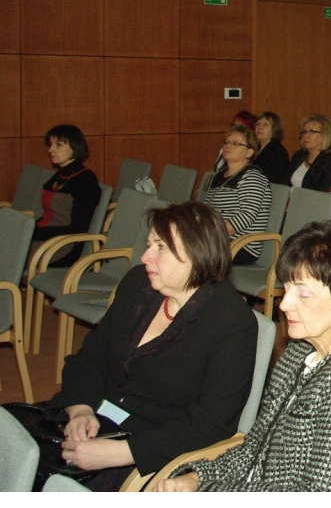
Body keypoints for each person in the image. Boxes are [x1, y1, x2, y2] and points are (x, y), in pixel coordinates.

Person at [157, 221, 331, 492]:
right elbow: (253, 450)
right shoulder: (300, 350)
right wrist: (196, 477)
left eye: (302, 293)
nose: (284, 304)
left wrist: (208, 491)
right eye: (287, 288)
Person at [50, 202, 257, 490]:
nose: (145, 256)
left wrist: (121, 453)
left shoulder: (232, 323)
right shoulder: (138, 283)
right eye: (149, 245)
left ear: (198, 254)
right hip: (94, 418)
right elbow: (90, 357)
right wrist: (80, 409)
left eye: (161, 248)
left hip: (152, 447)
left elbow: (212, 423)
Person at [31, 124, 101, 267]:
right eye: (50, 144)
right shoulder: (61, 174)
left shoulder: (85, 179)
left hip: (62, 246)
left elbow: (77, 228)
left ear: (75, 147)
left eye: (58, 145)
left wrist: (34, 233)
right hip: (46, 238)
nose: (51, 149)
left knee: (7, 251)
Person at [202, 125, 271, 266]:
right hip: (218, 239)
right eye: (227, 142)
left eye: (236, 143)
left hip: (242, 246)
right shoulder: (218, 177)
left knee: (189, 251)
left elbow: (247, 215)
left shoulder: (252, 177)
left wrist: (212, 235)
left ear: (249, 152)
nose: (228, 146)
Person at [287, 113, 331, 191]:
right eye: (304, 132)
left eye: (312, 132)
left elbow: (323, 194)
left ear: (324, 136)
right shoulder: (299, 156)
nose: (306, 135)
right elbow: (285, 184)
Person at [251, 111, 290, 185]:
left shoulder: (278, 152)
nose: (260, 127)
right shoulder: (254, 148)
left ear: (274, 129)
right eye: (258, 124)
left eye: (265, 125)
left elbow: (270, 180)